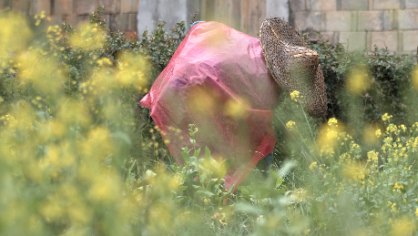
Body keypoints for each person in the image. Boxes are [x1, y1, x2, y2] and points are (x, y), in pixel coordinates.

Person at [140, 18, 327, 189]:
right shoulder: (264, 85)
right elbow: (251, 129)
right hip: (189, 95)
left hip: (178, 81)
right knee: (254, 149)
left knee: (195, 159)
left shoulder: (247, 44)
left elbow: (200, 25)